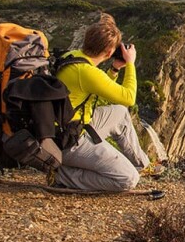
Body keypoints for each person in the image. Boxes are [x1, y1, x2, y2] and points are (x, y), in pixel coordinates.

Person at [55, 13, 152, 191]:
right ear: (109, 52)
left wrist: (115, 69)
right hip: (68, 142)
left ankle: (143, 165)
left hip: (69, 127)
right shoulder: (86, 72)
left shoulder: (73, 56)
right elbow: (129, 97)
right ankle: (63, 175)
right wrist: (130, 63)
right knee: (128, 179)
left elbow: (101, 92)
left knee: (120, 112)